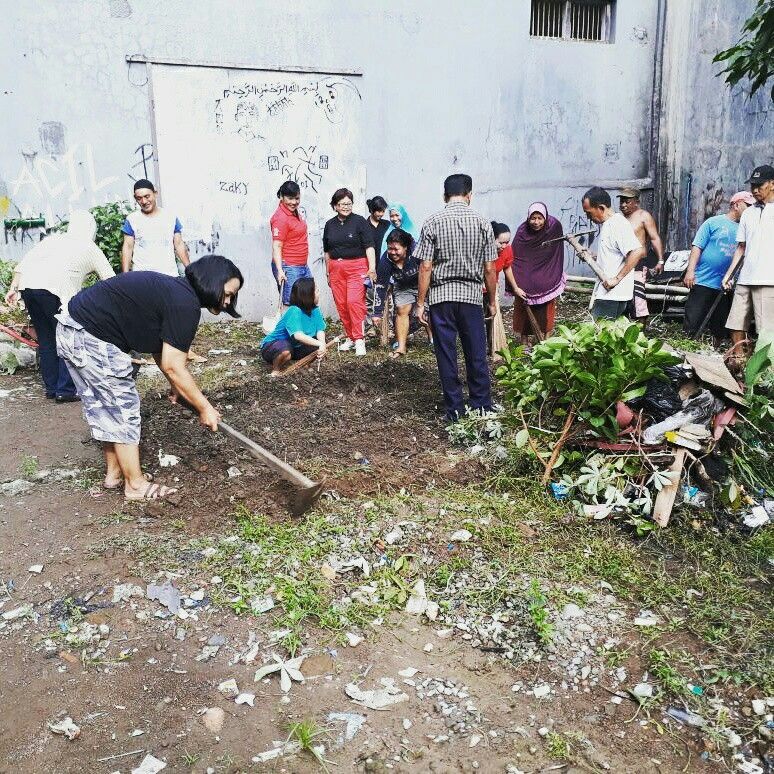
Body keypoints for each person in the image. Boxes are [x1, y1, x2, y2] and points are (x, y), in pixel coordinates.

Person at [56, 255, 243, 501]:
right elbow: (174, 366)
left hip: (73, 329)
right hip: (91, 336)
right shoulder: (184, 304)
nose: (227, 302)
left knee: (107, 406)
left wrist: (177, 388)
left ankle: (115, 474)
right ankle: (135, 485)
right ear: (212, 281)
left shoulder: (175, 293)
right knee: (122, 407)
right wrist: (205, 407)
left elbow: (161, 353)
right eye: (227, 294)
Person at [4, 210, 115, 402]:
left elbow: (22, 265)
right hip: (54, 292)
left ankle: (52, 388)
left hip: (29, 288)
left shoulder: (52, 240)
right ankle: (66, 390)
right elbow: (111, 280)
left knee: (46, 339)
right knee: (67, 340)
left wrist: (13, 289)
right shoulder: (90, 247)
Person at [415, 173, 497, 420]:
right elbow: (490, 268)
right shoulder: (482, 223)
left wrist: (420, 303)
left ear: (444, 195)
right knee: (476, 352)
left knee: (446, 354)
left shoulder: (432, 222)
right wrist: (492, 301)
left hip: (441, 298)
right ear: (469, 195)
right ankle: (481, 405)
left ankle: (454, 410)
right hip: (471, 297)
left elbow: (425, 266)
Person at [121, 178, 206, 363]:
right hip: (143, 277)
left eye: (147, 196)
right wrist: (125, 276)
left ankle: (185, 350)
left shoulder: (170, 217)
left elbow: (179, 244)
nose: (144, 201)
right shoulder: (132, 220)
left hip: (169, 274)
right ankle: (156, 353)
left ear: (155, 194)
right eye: (139, 198)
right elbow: (127, 247)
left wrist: (190, 268)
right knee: (150, 317)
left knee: (177, 314)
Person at [683, 191, 755, 344]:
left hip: (727, 284)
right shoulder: (713, 223)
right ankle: (688, 346)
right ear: (736, 205)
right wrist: (690, 271)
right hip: (703, 280)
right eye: (748, 205)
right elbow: (697, 247)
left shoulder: (747, 228)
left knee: (720, 325)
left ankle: (715, 348)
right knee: (693, 319)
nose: (751, 209)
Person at [723, 164, 774, 363]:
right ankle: (740, 360)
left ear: (772, 184)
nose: (755, 190)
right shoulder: (748, 213)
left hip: (768, 279)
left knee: (766, 329)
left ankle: (766, 368)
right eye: (753, 185)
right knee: (736, 322)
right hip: (746, 277)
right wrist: (729, 275)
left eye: (759, 185)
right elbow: (741, 247)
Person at [323, 188, 376, 357]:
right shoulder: (329, 225)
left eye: (349, 203)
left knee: (354, 302)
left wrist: (372, 268)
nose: (346, 207)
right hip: (335, 268)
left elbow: (369, 246)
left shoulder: (359, 222)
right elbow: (327, 251)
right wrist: (327, 272)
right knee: (342, 304)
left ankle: (359, 340)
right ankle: (350, 337)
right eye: (342, 204)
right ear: (335, 206)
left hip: (357, 267)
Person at [581, 187, 645, 320]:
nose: (588, 218)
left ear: (601, 208)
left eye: (589, 213)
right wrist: (593, 256)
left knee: (598, 330)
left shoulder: (617, 224)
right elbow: (614, 255)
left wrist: (616, 279)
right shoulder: (609, 224)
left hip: (613, 296)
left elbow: (637, 251)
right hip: (609, 294)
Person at [511, 203, 567, 343]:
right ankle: (524, 341)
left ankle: (546, 340)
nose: (536, 222)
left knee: (547, 309)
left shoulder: (554, 227)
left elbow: (555, 252)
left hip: (547, 271)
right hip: (527, 273)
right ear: (528, 218)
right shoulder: (522, 231)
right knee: (523, 306)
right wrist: (517, 282)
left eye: (540, 218)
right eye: (533, 218)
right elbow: (516, 256)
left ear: (545, 218)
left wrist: (549, 272)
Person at [372, 229, 432, 358]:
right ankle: (401, 346)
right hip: (402, 285)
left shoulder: (417, 252)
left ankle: (433, 340)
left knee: (427, 311)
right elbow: (381, 286)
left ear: (405, 247)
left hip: (421, 283)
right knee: (401, 310)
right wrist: (377, 313)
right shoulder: (385, 260)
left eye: (396, 249)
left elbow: (428, 269)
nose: (392, 252)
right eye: (390, 248)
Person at [260, 277, 328, 376]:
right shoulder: (294, 311)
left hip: (295, 346)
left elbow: (320, 330)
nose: (319, 293)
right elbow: (298, 335)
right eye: (316, 291)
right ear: (307, 295)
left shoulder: (315, 310)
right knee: (285, 350)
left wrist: (322, 344)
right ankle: (276, 369)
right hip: (273, 345)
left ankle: (305, 364)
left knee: (318, 344)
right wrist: (320, 344)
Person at [618, 187, 665, 325]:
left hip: (638, 262)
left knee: (638, 299)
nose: (623, 205)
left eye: (627, 201)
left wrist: (660, 260)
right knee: (621, 296)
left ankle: (641, 330)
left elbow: (655, 238)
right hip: (621, 262)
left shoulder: (643, 216)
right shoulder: (618, 218)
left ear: (636, 202)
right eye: (621, 201)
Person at [270, 180, 311, 309]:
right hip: (288, 267)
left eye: (297, 198)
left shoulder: (294, 212)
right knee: (291, 304)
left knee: (308, 300)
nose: (294, 202)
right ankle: (287, 323)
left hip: (302, 265)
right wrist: (280, 270)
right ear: (282, 197)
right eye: (290, 198)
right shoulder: (280, 218)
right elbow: (277, 246)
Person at [484, 222, 522, 347]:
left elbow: (507, 268)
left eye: (507, 242)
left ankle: (492, 346)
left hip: (492, 289)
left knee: (492, 317)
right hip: (477, 289)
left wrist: (515, 288)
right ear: (492, 239)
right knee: (477, 319)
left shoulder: (507, 250)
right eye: (501, 243)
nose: (504, 246)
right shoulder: (482, 250)